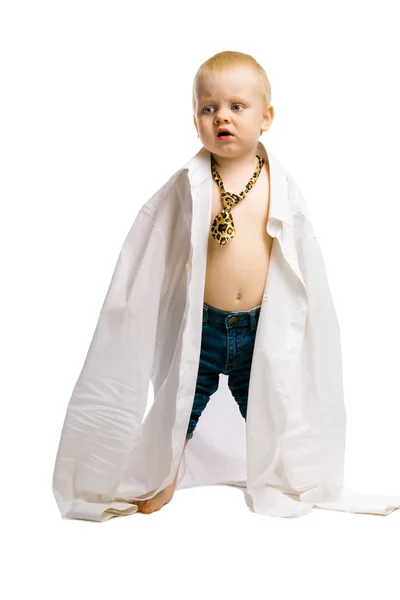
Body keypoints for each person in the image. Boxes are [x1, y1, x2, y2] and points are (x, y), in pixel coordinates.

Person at [137, 50, 275, 513]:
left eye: (238, 106)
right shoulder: (190, 183)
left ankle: (272, 478)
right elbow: (156, 240)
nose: (223, 118)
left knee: (265, 408)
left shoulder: (277, 184)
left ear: (266, 117)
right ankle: (166, 476)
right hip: (203, 325)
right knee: (182, 407)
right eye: (208, 107)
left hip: (258, 328)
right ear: (195, 119)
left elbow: (299, 258)